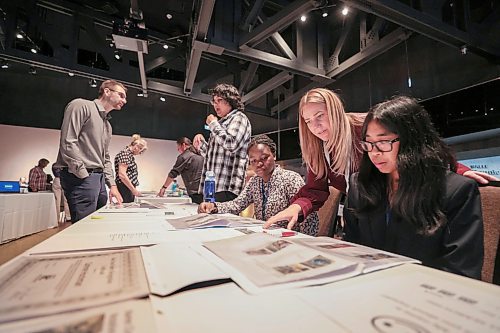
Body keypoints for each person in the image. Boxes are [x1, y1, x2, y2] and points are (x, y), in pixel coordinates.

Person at [264, 88, 498, 230]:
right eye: (307, 121)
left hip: (401, 203)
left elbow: (417, 145)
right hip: (365, 213)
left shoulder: (365, 127)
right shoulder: (317, 147)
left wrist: (458, 170)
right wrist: (297, 206)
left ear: (334, 111)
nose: (315, 126)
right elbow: (316, 190)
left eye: (320, 116)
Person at [343, 96, 483, 279]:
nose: (374, 153)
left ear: (412, 140)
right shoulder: (359, 185)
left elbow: (461, 273)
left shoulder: (456, 191)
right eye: (368, 143)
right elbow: (351, 250)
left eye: (384, 142)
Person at [198, 135, 319, 236]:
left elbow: (310, 218)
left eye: (264, 158)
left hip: (288, 241)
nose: (259, 164)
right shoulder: (255, 182)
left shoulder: (290, 179)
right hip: (264, 237)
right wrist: (213, 206)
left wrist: (304, 243)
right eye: (253, 160)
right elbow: (237, 205)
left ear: (274, 155)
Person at [54, 79, 125, 222]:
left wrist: (112, 184)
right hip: (82, 176)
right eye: (121, 95)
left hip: (98, 179)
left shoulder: (107, 125)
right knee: (83, 226)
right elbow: (68, 141)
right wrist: (83, 175)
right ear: (107, 91)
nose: (125, 100)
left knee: (95, 224)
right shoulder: (81, 106)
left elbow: (105, 157)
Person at [193, 83, 252, 202]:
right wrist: (201, 144)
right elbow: (214, 156)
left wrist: (213, 124)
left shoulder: (239, 118)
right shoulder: (221, 123)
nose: (216, 105)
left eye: (220, 100)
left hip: (227, 188)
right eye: (214, 101)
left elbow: (231, 144)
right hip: (213, 188)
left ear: (231, 100)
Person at [158, 137, 204, 204]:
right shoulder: (200, 155)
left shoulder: (184, 157)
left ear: (183, 145)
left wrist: (164, 188)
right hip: (204, 191)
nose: (177, 149)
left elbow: (173, 173)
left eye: (178, 147)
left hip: (194, 193)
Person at [115, 134, 148, 203]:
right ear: (136, 147)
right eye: (141, 151)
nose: (140, 153)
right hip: (125, 187)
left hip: (127, 186)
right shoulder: (125, 154)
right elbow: (122, 175)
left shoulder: (129, 155)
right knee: (126, 207)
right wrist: (133, 190)